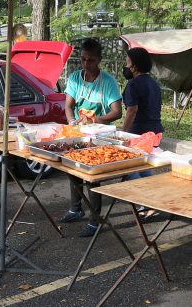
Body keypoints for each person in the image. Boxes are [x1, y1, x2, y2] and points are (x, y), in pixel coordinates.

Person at [60, 38, 123, 236]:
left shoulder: (108, 82)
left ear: (99, 60)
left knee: (91, 175)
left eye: (91, 60)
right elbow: (69, 106)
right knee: (72, 169)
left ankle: (96, 220)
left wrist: (96, 119)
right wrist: (72, 123)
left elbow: (117, 112)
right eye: (84, 59)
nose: (87, 64)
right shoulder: (75, 79)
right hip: (80, 133)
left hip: (101, 135)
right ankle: (75, 208)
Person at [120, 46, 164, 219]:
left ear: (135, 65)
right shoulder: (154, 83)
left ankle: (145, 203)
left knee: (131, 168)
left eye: (127, 62)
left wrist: (123, 133)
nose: (126, 65)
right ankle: (152, 204)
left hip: (138, 134)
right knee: (145, 168)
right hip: (155, 132)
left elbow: (132, 110)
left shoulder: (133, 84)